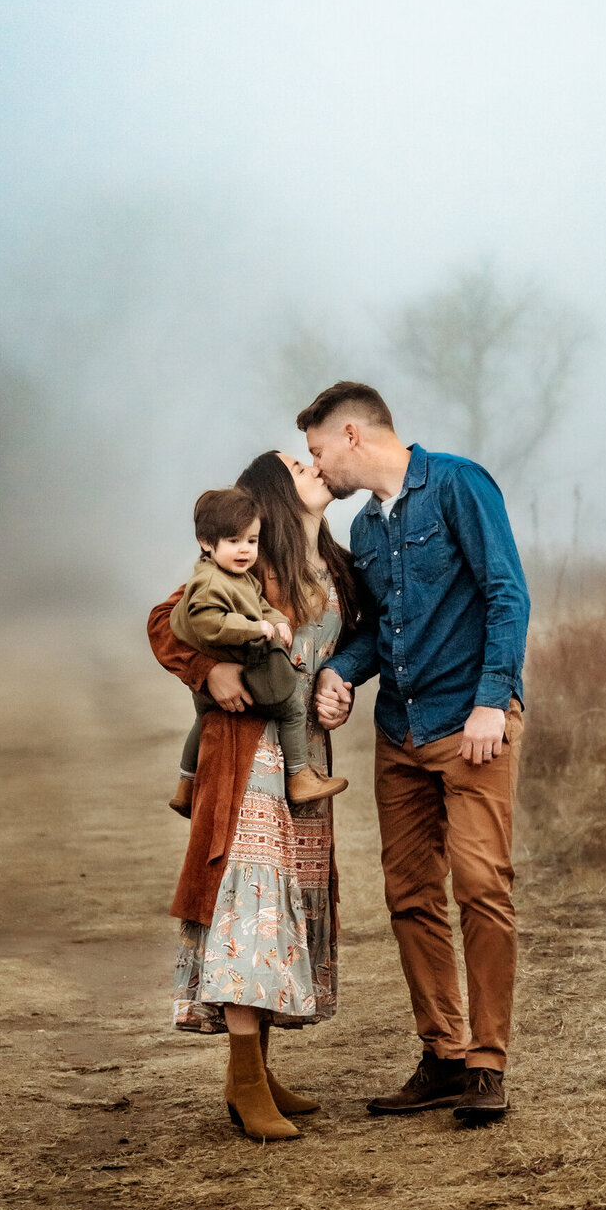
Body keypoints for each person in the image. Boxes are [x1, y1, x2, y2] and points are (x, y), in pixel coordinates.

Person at [302, 382, 529, 1124]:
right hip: (400, 733)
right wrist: (340, 670)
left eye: (317, 450)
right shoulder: (366, 530)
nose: (317, 466)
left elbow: (507, 593)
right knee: (408, 895)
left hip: (473, 727)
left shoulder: (459, 484)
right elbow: (376, 631)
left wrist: (493, 698)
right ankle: (444, 1054)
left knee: (480, 884)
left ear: (354, 434)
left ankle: (487, 1066)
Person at [147, 450, 360, 1142]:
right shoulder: (248, 564)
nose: (316, 466)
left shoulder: (335, 563)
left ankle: (258, 1071)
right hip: (250, 756)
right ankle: (242, 1079)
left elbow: (351, 649)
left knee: (287, 903)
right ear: (273, 488)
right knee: (252, 904)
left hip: (304, 755)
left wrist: (342, 681)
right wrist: (208, 670)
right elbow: (165, 619)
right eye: (299, 463)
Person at [169, 486, 346, 816]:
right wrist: (255, 629)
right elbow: (208, 623)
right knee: (291, 708)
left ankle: (186, 784)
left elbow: (261, 606)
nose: (244, 550)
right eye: (234, 541)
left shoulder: (240, 577)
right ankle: (299, 776)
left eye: (251, 541)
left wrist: (277, 621)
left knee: (202, 719)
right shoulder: (209, 581)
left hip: (230, 672)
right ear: (207, 543)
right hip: (231, 669)